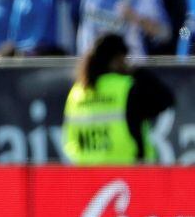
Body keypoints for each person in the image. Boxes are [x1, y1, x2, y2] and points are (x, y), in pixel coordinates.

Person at [63, 32, 173, 164]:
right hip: (126, 174)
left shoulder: (77, 92)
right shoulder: (126, 88)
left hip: (87, 175)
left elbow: (69, 139)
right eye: (125, 58)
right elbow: (166, 100)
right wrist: (137, 72)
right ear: (117, 59)